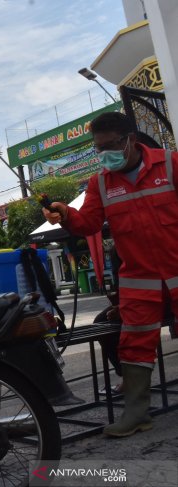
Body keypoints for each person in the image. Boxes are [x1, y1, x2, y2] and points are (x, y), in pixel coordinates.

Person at [43, 111, 178, 438]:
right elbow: (87, 223)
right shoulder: (100, 183)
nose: (104, 154)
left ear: (130, 139)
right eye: (98, 148)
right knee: (133, 345)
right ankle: (136, 413)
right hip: (139, 281)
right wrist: (64, 214)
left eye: (110, 145)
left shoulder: (171, 164)